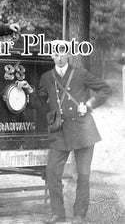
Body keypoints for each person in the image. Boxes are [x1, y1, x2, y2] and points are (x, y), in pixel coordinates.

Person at [37, 42, 112, 224]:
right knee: (52, 172)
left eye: (63, 52)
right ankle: (58, 213)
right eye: (56, 53)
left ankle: (79, 214)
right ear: (52, 56)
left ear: (68, 54)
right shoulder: (46, 77)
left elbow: (106, 89)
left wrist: (89, 105)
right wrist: (27, 90)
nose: (60, 56)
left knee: (83, 174)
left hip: (83, 130)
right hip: (60, 131)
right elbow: (39, 101)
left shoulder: (80, 73)